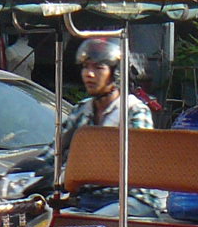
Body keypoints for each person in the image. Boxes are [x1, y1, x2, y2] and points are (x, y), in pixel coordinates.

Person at [56, 37, 159, 217]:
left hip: (129, 199)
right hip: (88, 201)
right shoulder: (81, 110)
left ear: (116, 73)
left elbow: (138, 166)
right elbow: (53, 155)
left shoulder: (134, 111)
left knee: (91, 225)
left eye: (98, 67)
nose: (89, 74)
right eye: (85, 67)